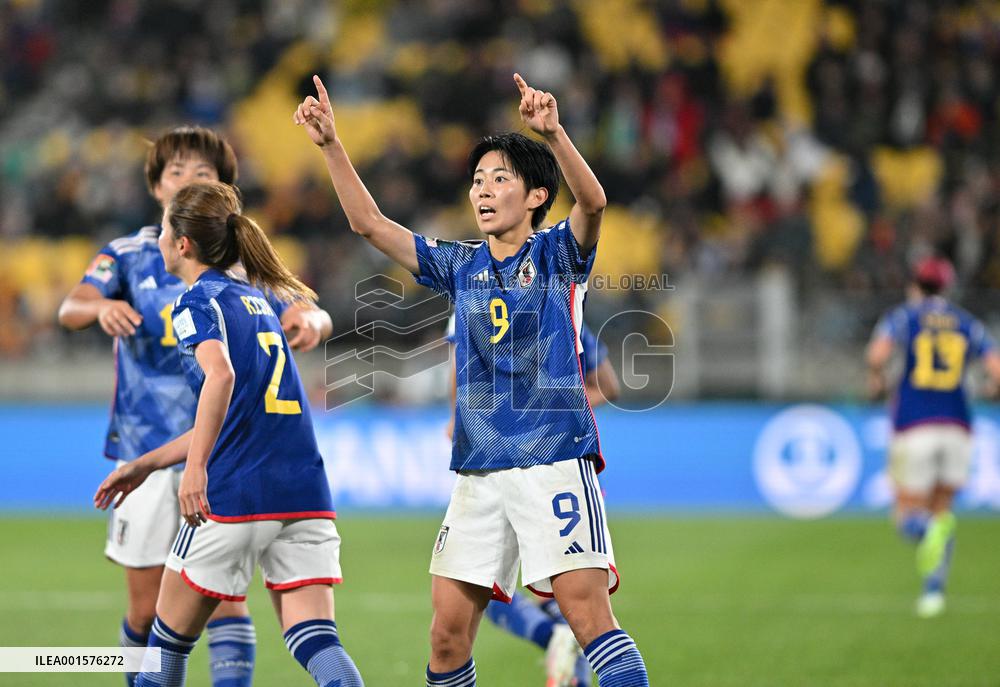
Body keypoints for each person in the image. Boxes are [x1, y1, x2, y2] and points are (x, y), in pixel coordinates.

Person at [296, 73, 648, 686]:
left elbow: (592, 203)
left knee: (590, 621)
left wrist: (556, 134)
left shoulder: (558, 255)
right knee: (446, 637)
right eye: (477, 180)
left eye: (499, 178)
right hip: (478, 473)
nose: (482, 190)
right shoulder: (462, 266)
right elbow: (371, 225)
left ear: (537, 195)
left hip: (552, 463)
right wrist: (330, 144)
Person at [58, 126, 332, 687]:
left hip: (223, 453)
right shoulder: (130, 254)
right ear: (157, 186)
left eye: (202, 173)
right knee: (147, 609)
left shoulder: (238, 260)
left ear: (222, 190)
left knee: (222, 601)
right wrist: (101, 309)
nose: (187, 179)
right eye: (176, 171)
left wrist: (310, 321)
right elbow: (71, 306)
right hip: (147, 447)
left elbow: (311, 308)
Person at [444, 312, 619, 687]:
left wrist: (460, 416)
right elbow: (608, 386)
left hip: (516, 466)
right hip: (561, 467)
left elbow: (460, 367)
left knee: (484, 591)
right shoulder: (564, 309)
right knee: (572, 601)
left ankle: (553, 637)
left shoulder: (475, 297)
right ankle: (567, 652)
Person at [867, 256, 1000, 618]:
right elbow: (996, 369)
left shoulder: (903, 317)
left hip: (914, 425)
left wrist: (877, 379)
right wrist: (990, 389)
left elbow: (877, 353)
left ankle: (927, 531)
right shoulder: (967, 324)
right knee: (943, 512)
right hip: (958, 426)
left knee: (907, 515)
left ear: (916, 285)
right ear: (947, 286)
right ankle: (933, 592)